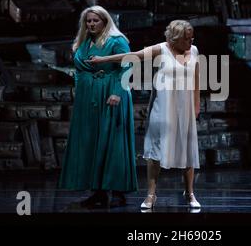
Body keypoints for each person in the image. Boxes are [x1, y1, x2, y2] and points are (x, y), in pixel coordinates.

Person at [86, 20, 201, 209]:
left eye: (192, 38)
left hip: (185, 109)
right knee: (155, 152)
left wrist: (196, 106)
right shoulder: (161, 50)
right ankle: (150, 195)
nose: (191, 41)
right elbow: (132, 56)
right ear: (175, 39)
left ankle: (189, 193)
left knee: (187, 152)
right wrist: (102, 59)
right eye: (187, 38)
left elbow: (196, 80)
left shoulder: (194, 51)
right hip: (162, 108)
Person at [58, 5, 138, 208]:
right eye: (88, 21)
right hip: (88, 98)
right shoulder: (84, 41)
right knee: (92, 142)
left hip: (111, 94)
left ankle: (118, 192)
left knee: (113, 143)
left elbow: (128, 65)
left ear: (105, 21)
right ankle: (98, 192)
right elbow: (79, 71)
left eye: (95, 20)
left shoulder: (117, 40)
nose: (91, 24)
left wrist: (117, 92)